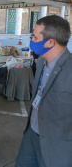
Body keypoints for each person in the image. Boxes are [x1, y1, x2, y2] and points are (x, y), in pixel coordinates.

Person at [15, 15, 72, 167]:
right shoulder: (41, 61)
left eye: (34, 37)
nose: (31, 40)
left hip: (57, 146)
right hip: (31, 135)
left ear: (50, 42)